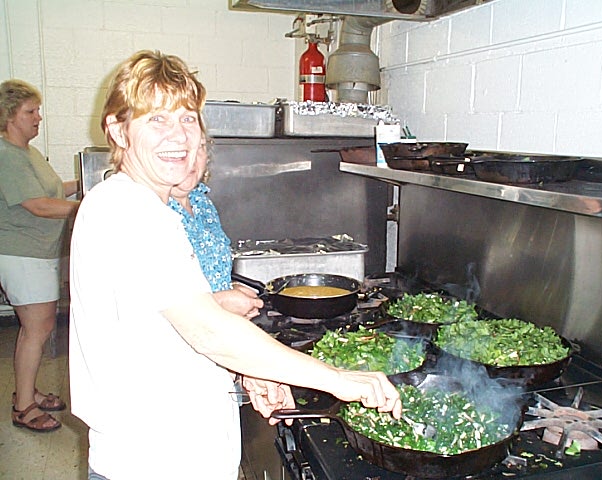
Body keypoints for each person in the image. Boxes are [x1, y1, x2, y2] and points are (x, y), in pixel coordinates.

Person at [68, 50, 402, 480]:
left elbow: (164, 330)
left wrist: (247, 370)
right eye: (157, 119)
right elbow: (207, 329)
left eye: (188, 118)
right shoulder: (128, 211)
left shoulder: (152, 208)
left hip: (182, 447)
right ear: (118, 130)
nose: (179, 135)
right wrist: (340, 379)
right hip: (152, 459)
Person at [0, 79, 80, 432]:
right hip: (23, 254)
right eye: (30, 111)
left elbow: (52, 191)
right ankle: (24, 407)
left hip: (36, 253)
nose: (38, 117)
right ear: (9, 116)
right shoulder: (6, 155)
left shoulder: (26, 153)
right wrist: (88, 208)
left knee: (37, 327)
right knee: (36, 328)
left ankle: (26, 391)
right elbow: (38, 205)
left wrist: (86, 187)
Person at [168, 138, 262, 319]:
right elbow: (144, 304)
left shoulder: (201, 202)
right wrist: (218, 302)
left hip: (212, 328)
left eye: (199, 147)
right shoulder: (148, 209)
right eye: (179, 151)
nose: (191, 159)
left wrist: (227, 287)